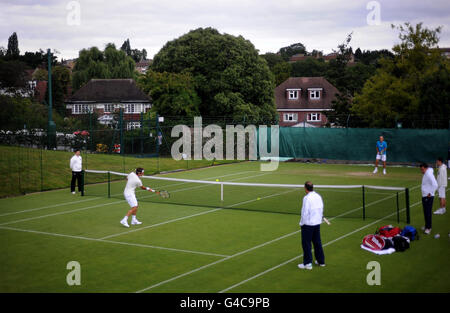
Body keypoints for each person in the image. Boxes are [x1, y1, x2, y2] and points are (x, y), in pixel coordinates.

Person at [298, 181, 325, 270]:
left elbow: (304, 212)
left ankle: (308, 263)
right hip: (317, 223)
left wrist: (302, 223)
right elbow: (321, 208)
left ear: (305, 188)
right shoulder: (318, 196)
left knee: (306, 244)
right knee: (317, 242)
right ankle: (321, 261)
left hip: (308, 224)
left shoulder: (306, 198)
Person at [420, 163, 438, 235]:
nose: (422, 171)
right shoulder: (426, 173)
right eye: (421, 169)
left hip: (428, 197)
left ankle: (428, 228)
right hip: (425, 196)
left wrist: (430, 193)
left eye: (422, 169)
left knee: (428, 212)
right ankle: (426, 226)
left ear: (426, 168)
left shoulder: (429, 174)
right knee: (425, 212)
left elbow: (435, 184)